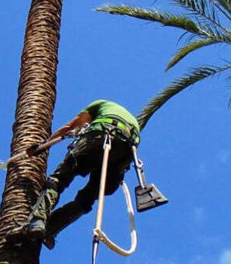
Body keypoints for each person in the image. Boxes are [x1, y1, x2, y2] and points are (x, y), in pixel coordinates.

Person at [10, 100, 140, 249]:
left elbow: (70, 127)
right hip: (123, 154)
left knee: (58, 180)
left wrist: (43, 145)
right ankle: (50, 228)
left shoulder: (99, 104)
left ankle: (36, 221)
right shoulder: (130, 119)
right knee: (87, 199)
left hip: (100, 136)